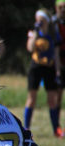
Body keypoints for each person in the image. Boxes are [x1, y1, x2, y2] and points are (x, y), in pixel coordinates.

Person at [25, 9, 62, 137]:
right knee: (31, 99)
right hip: (35, 68)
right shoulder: (34, 32)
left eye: (41, 19)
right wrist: (35, 32)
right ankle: (26, 128)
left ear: (47, 20)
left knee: (52, 100)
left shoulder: (53, 34)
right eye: (37, 18)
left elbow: (56, 54)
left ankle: (56, 129)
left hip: (49, 68)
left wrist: (57, 71)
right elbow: (30, 48)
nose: (39, 21)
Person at [54, 0, 65, 134]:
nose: (63, 10)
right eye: (61, 7)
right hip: (58, 64)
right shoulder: (52, 23)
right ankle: (57, 126)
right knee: (57, 98)